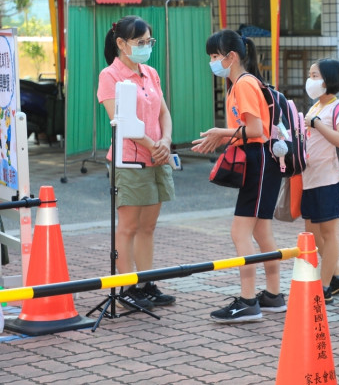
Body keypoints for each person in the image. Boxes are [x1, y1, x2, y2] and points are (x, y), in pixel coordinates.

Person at [191, 29, 287, 322]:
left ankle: (248, 301)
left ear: (231, 57)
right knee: (260, 231)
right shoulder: (244, 83)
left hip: (259, 161)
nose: (212, 62)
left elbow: (256, 131)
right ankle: (272, 295)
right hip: (264, 162)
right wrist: (224, 136)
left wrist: (222, 133)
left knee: (240, 232)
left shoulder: (244, 85)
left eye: (215, 56)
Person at [96, 16, 176, 310]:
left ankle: (146, 283)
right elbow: (121, 121)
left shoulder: (150, 73)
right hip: (130, 161)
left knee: (148, 227)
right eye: (140, 42)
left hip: (158, 158)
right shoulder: (110, 76)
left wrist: (166, 143)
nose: (145, 47)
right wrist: (154, 146)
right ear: (121, 43)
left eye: (148, 42)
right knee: (128, 227)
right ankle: (126, 286)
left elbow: (163, 113)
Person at [302, 58, 339, 303]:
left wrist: (317, 125)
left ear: (328, 80)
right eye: (310, 75)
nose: (310, 81)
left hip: (328, 179)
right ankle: (338, 277)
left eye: (314, 76)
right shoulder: (315, 107)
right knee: (312, 234)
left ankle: (324, 287)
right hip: (309, 178)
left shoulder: (338, 108)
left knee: (328, 233)